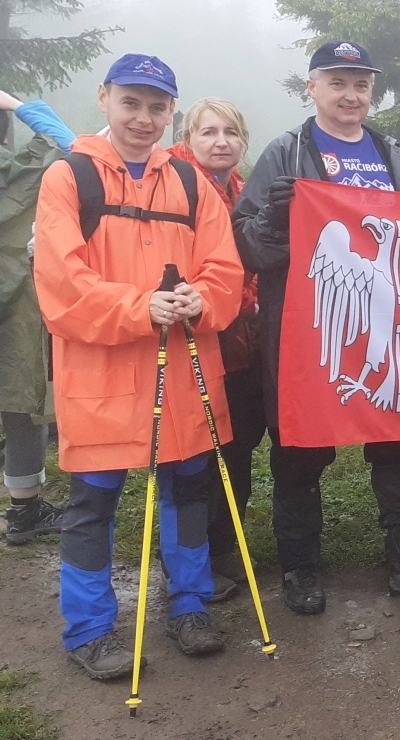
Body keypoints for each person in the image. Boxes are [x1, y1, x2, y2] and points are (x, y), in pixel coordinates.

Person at [235, 40, 400, 615]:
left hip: (388, 325)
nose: (351, 94)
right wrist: (276, 221)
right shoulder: (287, 151)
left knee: (397, 442)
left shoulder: (391, 152)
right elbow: (245, 241)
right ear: (312, 87)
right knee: (300, 447)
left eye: (361, 84)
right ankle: (300, 570)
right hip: (308, 331)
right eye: (338, 82)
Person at [34, 54, 243, 677]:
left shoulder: (188, 182)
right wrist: (139, 305)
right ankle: (91, 631)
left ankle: (189, 606)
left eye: (157, 107)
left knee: (186, 492)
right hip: (99, 376)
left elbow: (224, 266)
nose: (143, 118)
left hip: (181, 372)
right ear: (104, 98)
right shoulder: (68, 177)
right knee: (93, 504)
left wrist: (202, 297)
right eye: (131, 103)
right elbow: (59, 282)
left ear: (170, 111)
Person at [169, 98, 263, 603]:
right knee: (197, 455)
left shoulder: (243, 191)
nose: (220, 141)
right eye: (208, 132)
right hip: (196, 337)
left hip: (242, 343)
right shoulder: (173, 185)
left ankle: (225, 546)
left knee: (239, 446)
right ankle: (189, 555)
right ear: (190, 136)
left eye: (230, 132)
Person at [0, 90, 73, 546]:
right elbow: (70, 143)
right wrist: (16, 102)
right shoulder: (21, 175)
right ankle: (24, 511)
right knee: (21, 405)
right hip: (17, 310)